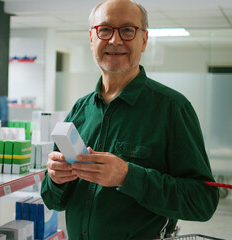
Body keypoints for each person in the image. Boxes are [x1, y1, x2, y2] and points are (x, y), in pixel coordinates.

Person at [40, 0, 219, 239]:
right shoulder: (80, 110)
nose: (115, 40)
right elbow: (52, 200)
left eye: (127, 30)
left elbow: (203, 202)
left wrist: (127, 176)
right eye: (104, 30)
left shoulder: (172, 109)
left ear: (143, 40)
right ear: (92, 39)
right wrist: (55, 179)